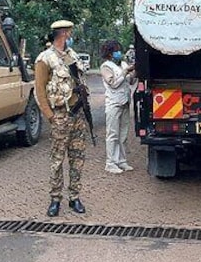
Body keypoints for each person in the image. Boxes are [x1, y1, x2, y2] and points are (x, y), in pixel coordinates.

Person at [34, 19, 88, 217]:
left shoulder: (72, 56)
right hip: (60, 115)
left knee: (77, 158)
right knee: (57, 160)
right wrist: (50, 116)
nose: (71, 35)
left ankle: (75, 197)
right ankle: (55, 199)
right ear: (63, 33)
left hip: (77, 115)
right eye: (70, 32)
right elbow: (39, 91)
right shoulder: (45, 59)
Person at [99, 40, 135, 174]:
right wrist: (125, 71)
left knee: (123, 134)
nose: (118, 53)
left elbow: (130, 81)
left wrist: (133, 71)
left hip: (125, 102)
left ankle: (122, 161)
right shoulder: (105, 67)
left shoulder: (123, 64)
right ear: (109, 53)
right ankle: (110, 162)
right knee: (112, 134)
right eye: (116, 50)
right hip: (113, 103)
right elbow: (113, 83)